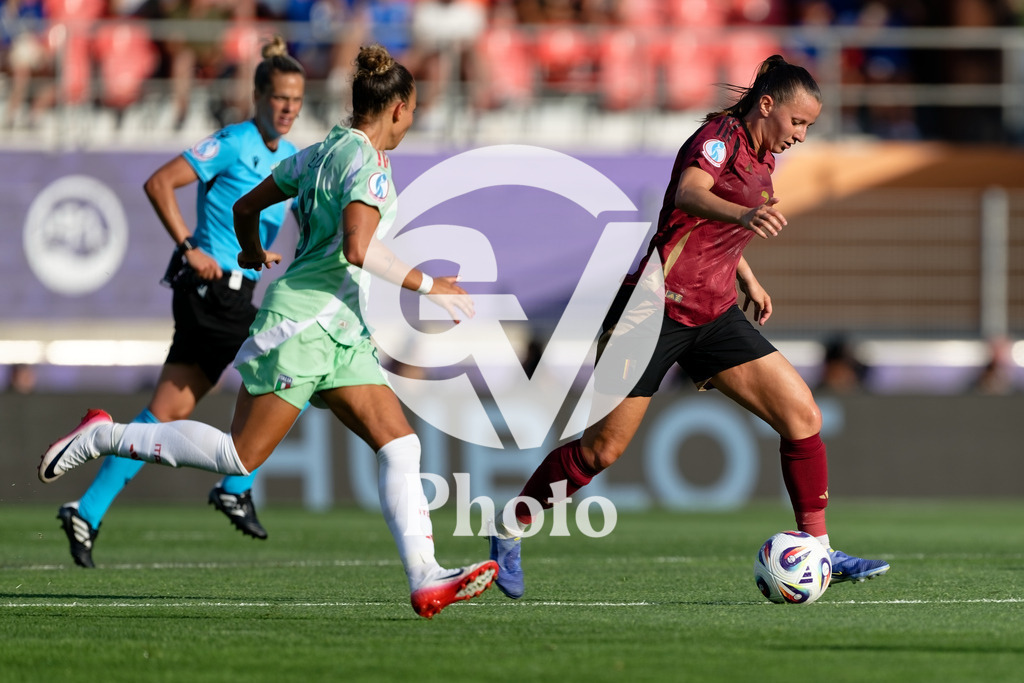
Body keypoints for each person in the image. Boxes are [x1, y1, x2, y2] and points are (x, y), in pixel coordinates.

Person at [39, 43, 498, 619]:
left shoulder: (319, 152)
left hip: (338, 328)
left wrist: (253, 249)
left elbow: (248, 206)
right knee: (239, 456)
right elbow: (358, 248)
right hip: (303, 326)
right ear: (400, 109)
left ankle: (426, 576)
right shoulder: (366, 165)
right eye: (413, 113)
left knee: (401, 443)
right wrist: (429, 287)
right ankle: (106, 435)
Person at [486, 55, 890, 600]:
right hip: (652, 310)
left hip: (714, 311)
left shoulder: (765, 160)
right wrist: (745, 218)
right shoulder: (718, 137)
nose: (801, 135)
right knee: (600, 452)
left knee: (802, 416)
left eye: (809, 128)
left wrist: (746, 276)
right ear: (767, 105)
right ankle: (510, 527)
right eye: (798, 122)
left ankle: (817, 547)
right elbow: (690, 196)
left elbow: (707, 231)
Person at [55, 35, 305, 568]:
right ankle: (236, 485)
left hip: (233, 296)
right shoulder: (235, 141)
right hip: (210, 294)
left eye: (297, 100)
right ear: (258, 96)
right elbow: (160, 182)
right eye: (280, 97)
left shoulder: (285, 159)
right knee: (299, 366)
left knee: (167, 411)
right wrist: (190, 246)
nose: (288, 109)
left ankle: (87, 508)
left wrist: (261, 256)